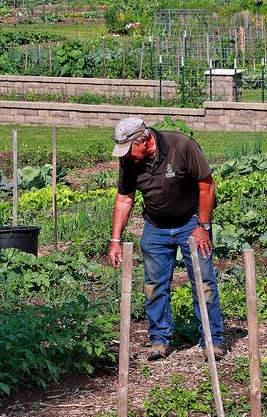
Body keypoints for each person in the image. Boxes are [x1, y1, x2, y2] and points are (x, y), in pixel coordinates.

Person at [108, 118, 224, 362]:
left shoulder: (181, 146)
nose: (126, 156)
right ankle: (159, 340)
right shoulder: (129, 160)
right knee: (153, 285)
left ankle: (212, 340)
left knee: (203, 282)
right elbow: (124, 199)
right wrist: (115, 240)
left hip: (191, 222)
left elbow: (207, 186)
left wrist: (203, 226)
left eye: (129, 149)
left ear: (144, 139)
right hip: (156, 227)